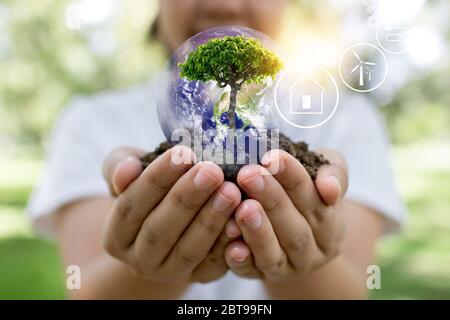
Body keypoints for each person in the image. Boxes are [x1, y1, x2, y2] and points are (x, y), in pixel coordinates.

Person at [27, 0, 405, 299]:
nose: (224, 5)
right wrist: (146, 267)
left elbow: (352, 291)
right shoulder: (90, 120)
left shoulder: (347, 120)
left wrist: (306, 258)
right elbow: (84, 291)